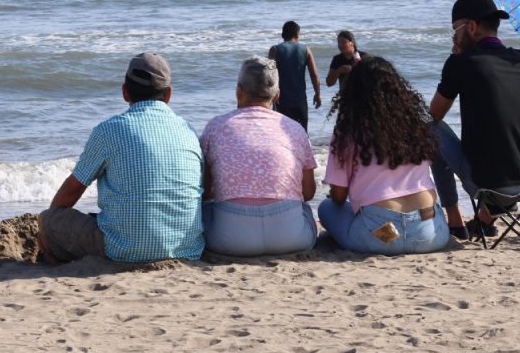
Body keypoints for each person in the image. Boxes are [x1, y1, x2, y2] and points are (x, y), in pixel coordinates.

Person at [37, 53, 204, 264]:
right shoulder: (187, 130)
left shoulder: (109, 130)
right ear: (168, 95)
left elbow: (73, 189)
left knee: (49, 219)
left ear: (125, 92)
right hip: (186, 248)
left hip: (124, 250)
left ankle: (53, 261)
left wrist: (51, 221)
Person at [430, 0, 520, 238]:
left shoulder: (461, 63)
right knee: (501, 145)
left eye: (455, 29)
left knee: (428, 129)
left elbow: (435, 114)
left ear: (472, 27)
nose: (453, 36)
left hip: (492, 187)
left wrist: (454, 61)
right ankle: (484, 220)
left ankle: (455, 221)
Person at [317, 56, 450, 255]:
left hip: (380, 234)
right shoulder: (415, 126)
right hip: (429, 233)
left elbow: (338, 196)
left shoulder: (349, 131)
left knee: (327, 207)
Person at [200, 56, 317, 256]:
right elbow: (308, 192)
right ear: (277, 95)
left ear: (239, 91)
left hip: (229, 239)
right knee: (305, 209)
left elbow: (207, 190)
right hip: (291, 237)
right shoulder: (294, 129)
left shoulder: (215, 127)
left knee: (206, 209)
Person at [268, 20, 322, 130]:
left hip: (281, 101)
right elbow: (314, 75)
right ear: (297, 34)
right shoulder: (306, 49)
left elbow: (270, 75)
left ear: (283, 34)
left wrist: (269, 98)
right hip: (300, 101)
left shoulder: (275, 50)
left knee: (282, 134)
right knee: (302, 134)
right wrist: (317, 94)